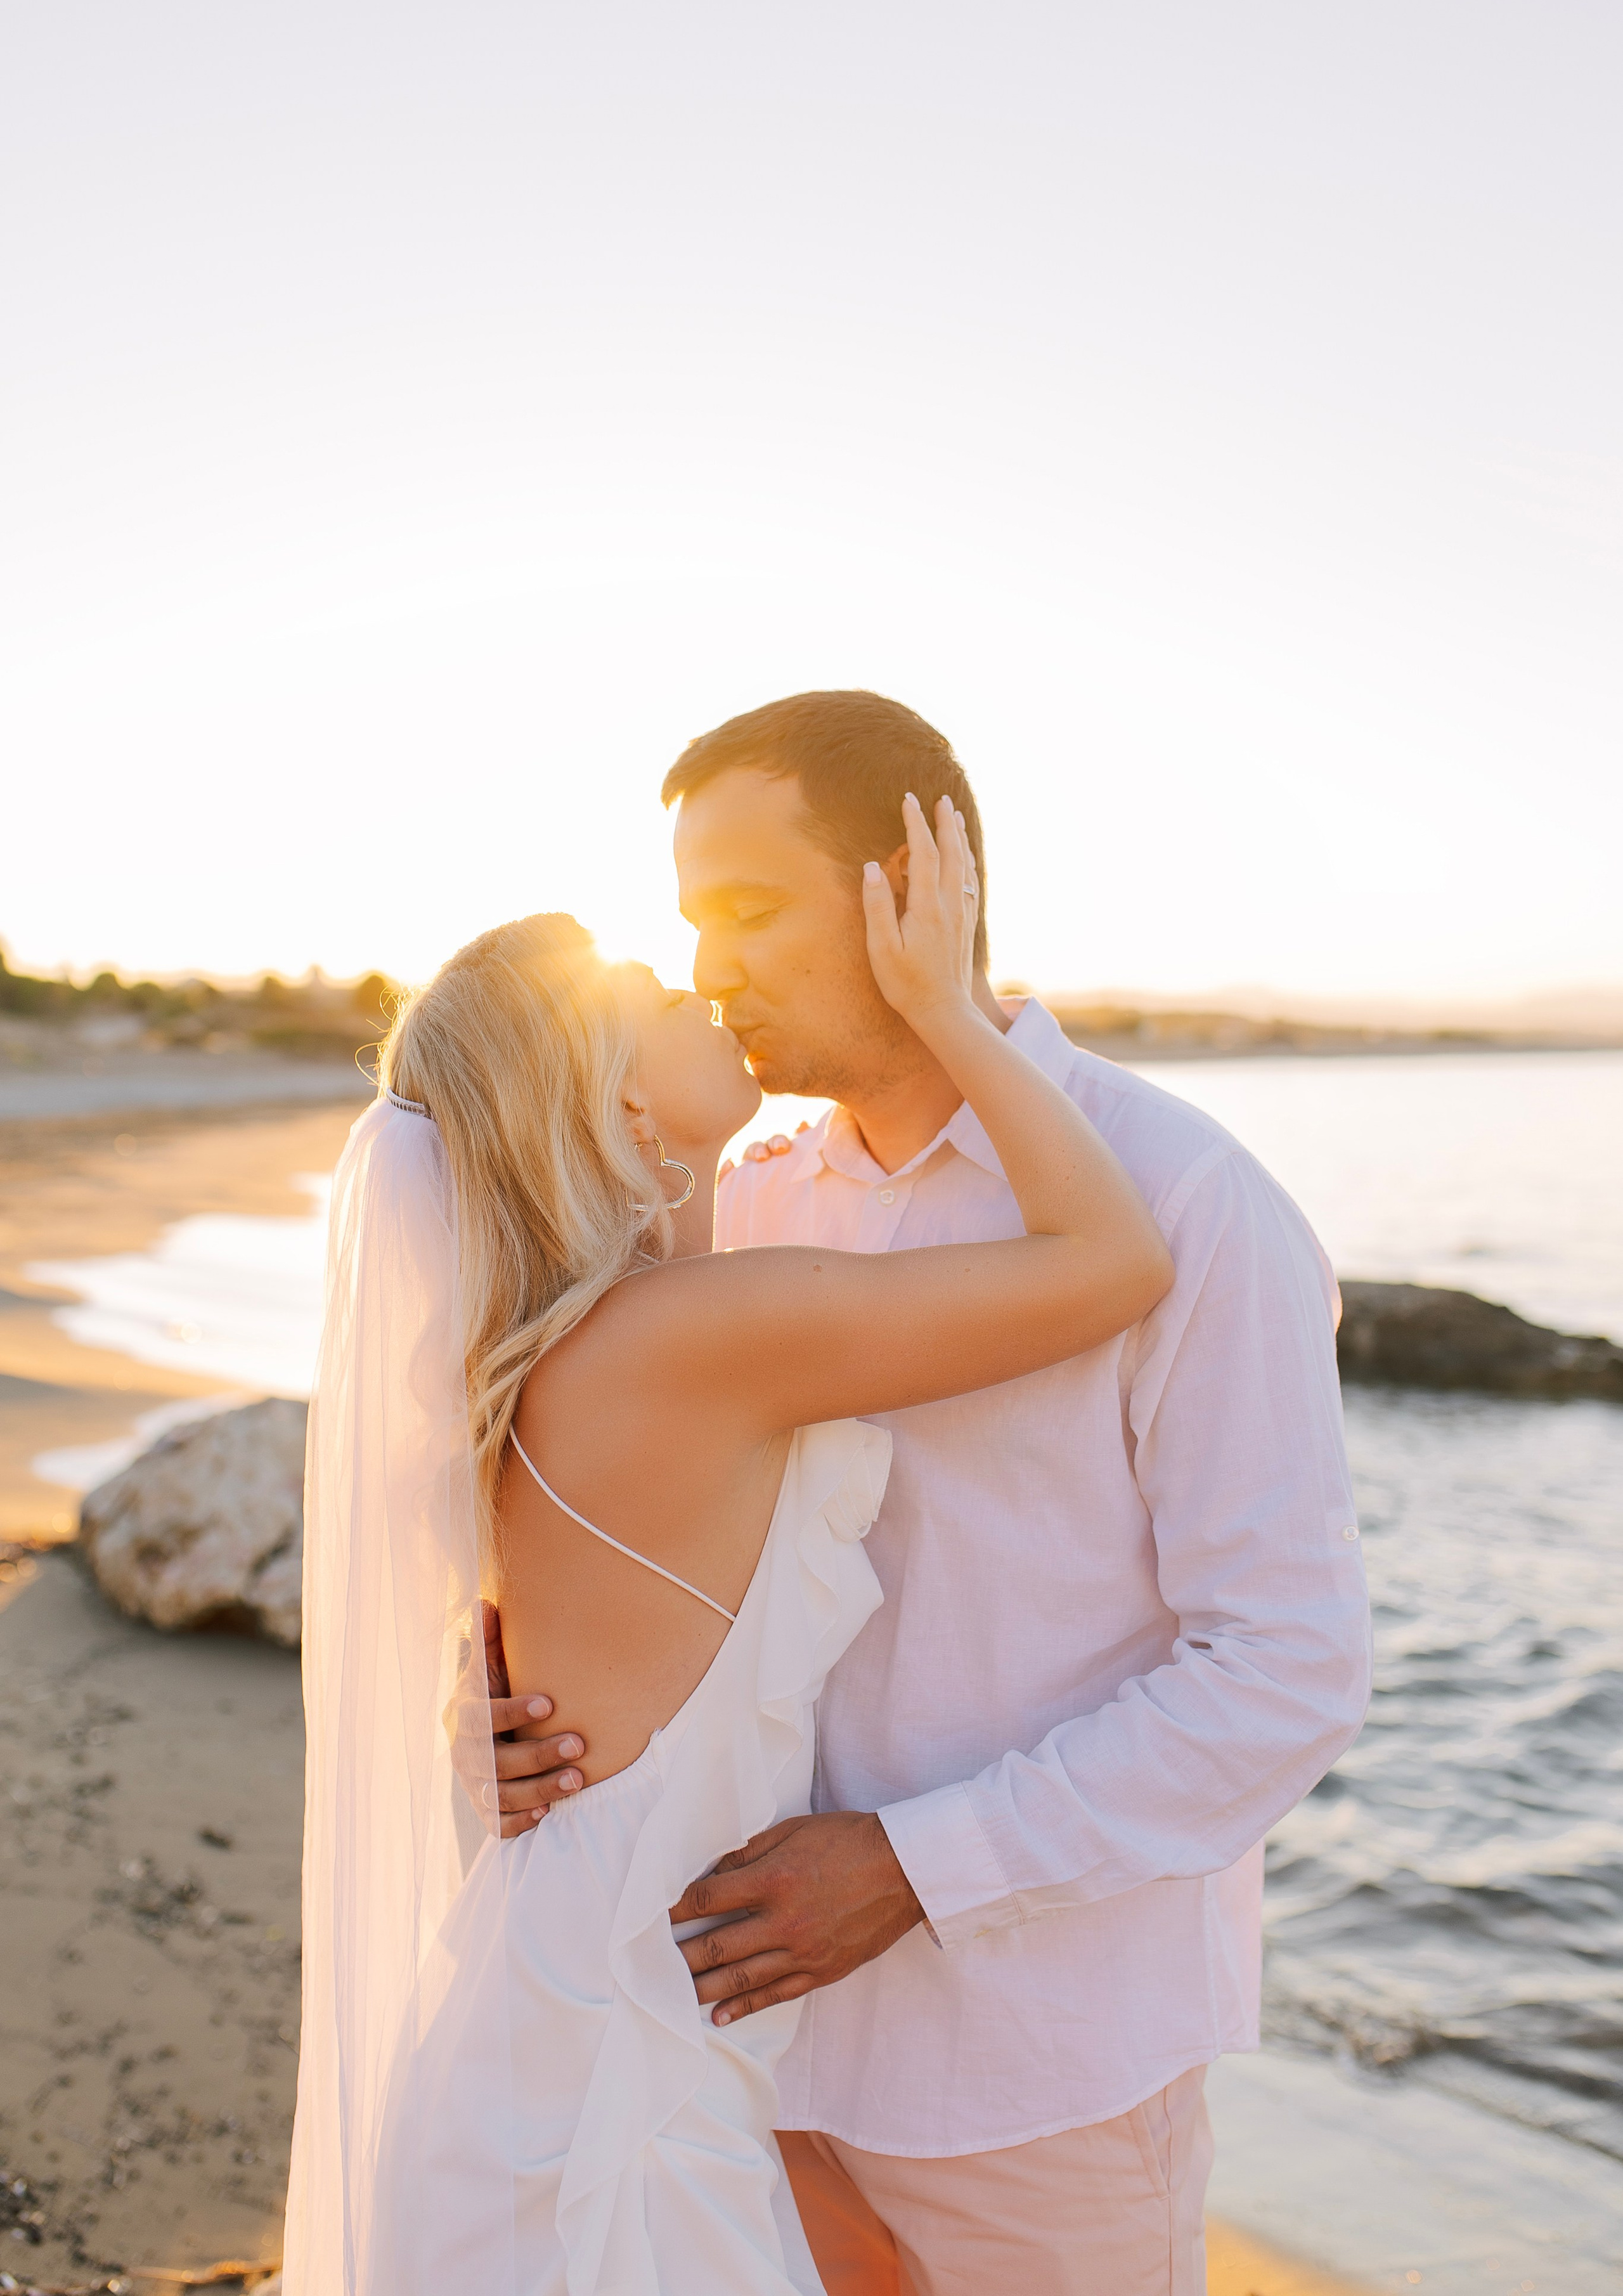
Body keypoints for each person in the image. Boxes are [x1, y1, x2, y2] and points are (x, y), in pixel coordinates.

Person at [496, 691, 1373, 2296]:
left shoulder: (1190, 1201)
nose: (708, 970)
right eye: (689, 924)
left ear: (914, 879)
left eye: (751, 910)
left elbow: (1284, 1670)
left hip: (1032, 2073)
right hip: (733, 2037)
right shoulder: (740, 1209)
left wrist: (910, 1866)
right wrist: (506, 1723)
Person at [282, 791, 1174, 2296]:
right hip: (601, 2071)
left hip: (582, 2025)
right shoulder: (692, 1339)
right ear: (618, 1109)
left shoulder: (586, 1346)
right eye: (640, 990)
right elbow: (1114, 1263)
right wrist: (954, 1012)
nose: (689, 975)